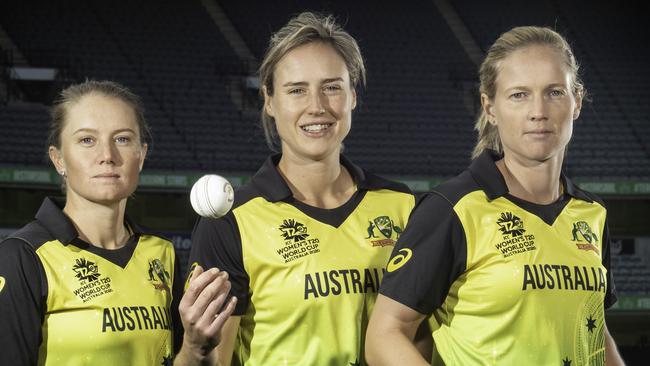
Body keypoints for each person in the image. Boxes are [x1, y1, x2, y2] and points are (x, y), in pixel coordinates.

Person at [366, 26, 626, 365]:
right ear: (489, 107)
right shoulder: (452, 209)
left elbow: (593, 329)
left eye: (554, 93)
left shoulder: (592, 213)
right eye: (519, 95)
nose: (538, 111)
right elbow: (385, 334)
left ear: (576, 101)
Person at [188, 12, 422, 365]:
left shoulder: (401, 205)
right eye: (297, 90)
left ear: (352, 96)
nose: (317, 107)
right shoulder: (229, 222)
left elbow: (419, 336)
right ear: (269, 101)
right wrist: (194, 348)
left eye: (332, 87)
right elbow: (212, 358)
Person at [0, 80, 236, 365]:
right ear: (59, 159)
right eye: (87, 140)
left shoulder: (161, 252)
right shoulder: (22, 256)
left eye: (122, 139)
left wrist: (196, 347)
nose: (107, 157)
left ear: (142, 156)